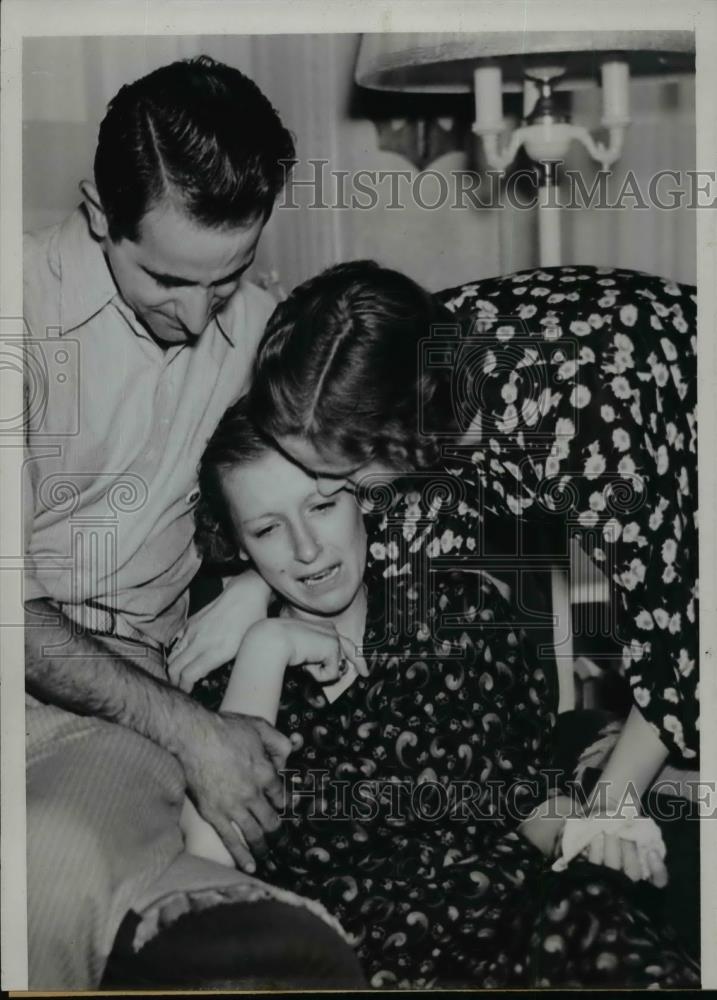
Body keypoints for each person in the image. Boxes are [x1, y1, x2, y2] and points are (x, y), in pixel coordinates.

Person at [23, 56, 363, 990]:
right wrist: (199, 736)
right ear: (100, 213)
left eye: (228, 277)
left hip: (114, 699)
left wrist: (259, 578)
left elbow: (366, 480)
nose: (198, 314)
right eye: (168, 280)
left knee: (41, 877)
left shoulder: (256, 329)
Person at [180, 398, 698, 988]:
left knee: (596, 926)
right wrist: (267, 647)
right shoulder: (235, 680)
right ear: (241, 546)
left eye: (322, 507)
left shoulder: (461, 611)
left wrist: (590, 835)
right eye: (268, 528)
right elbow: (209, 864)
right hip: (363, 965)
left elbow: (521, 796)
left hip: (523, 928)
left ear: (362, 495)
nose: (306, 549)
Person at [237, 259, 698, 832]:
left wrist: (604, 816)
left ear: (403, 443)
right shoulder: (386, 357)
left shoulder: (580, 421)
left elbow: (678, 636)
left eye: (337, 477)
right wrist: (252, 590)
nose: (324, 490)